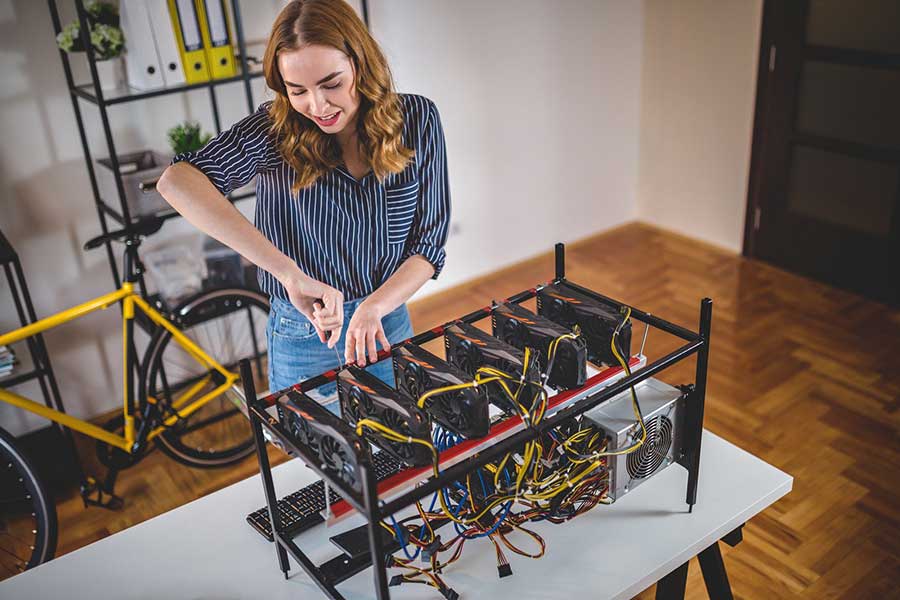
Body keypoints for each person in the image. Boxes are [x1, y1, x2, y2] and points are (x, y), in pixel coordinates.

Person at [157, 0, 449, 414]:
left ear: (361, 64)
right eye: (297, 91)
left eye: (331, 83)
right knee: (320, 461)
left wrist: (374, 307)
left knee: (402, 447)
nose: (318, 106)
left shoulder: (417, 120)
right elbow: (177, 182)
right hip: (303, 333)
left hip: (384, 321)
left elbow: (429, 245)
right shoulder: (272, 130)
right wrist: (287, 273)